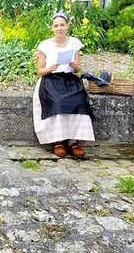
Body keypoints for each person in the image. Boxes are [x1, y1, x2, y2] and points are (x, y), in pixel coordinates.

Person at [33, 12, 94, 158]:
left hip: (69, 79)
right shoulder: (44, 45)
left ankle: (73, 141)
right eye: (56, 25)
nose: (59, 28)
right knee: (58, 102)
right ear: (52, 28)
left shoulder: (74, 43)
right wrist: (50, 68)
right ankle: (58, 141)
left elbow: (78, 69)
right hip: (50, 80)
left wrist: (74, 66)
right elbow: (40, 71)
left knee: (79, 101)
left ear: (67, 26)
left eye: (62, 25)